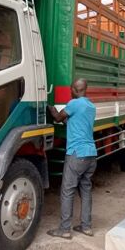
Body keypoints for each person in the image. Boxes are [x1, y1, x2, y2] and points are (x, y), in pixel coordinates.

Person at [47, 78, 97, 239]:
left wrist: (50, 107)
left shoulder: (74, 104)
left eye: (71, 89)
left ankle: (64, 229)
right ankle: (86, 226)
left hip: (77, 154)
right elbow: (75, 121)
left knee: (67, 191)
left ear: (75, 90)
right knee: (86, 190)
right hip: (91, 154)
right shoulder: (90, 106)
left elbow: (58, 118)